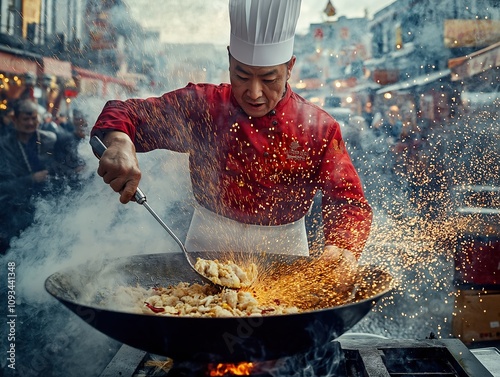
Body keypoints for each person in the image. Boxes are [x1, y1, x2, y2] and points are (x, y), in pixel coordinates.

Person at [90, 0, 372, 268]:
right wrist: (118, 140)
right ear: (229, 60)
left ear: (289, 68)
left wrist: (344, 247)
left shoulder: (319, 127)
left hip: (285, 249)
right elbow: (127, 113)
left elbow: (347, 199)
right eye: (242, 75)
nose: (254, 92)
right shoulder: (204, 105)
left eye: (269, 78)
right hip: (207, 240)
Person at [0, 100, 80, 254]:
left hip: (47, 210)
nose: (31, 123)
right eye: (26, 119)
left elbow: (63, 167)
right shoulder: (4, 146)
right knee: (13, 263)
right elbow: (3, 185)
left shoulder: (51, 139)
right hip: (14, 214)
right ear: (15, 120)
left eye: (34, 118)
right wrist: (31, 179)